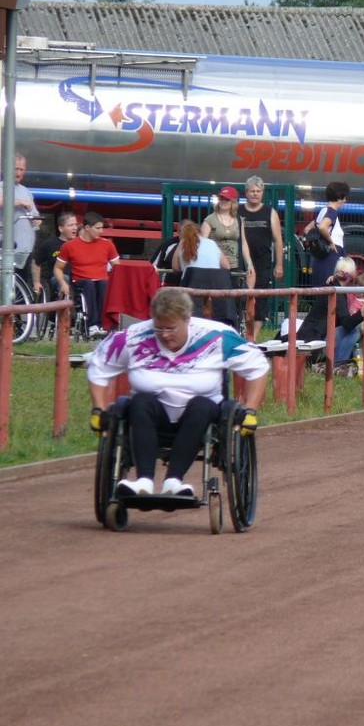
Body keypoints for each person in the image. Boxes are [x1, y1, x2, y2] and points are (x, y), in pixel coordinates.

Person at [87, 288, 268, 497]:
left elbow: (258, 367)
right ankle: (143, 481)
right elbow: (99, 366)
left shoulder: (217, 336)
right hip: (151, 416)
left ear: (187, 319)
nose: (164, 335)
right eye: (159, 328)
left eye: (171, 328)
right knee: (139, 401)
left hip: (201, 416)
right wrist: (98, 410)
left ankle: (174, 482)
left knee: (201, 405)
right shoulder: (133, 337)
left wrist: (251, 411)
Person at [54, 211, 119, 339]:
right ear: (87, 228)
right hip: (81, 281)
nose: (101, 231)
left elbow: (117, 266)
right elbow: (58, 268)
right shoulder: (70, 246)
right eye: (97, 228)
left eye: (102, 228)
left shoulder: (107, 244)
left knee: (104, 284)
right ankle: (92, 324)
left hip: (102, 280)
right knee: (89, 284)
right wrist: (62, 283)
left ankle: (105, 324)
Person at [239, 176, 284, 340]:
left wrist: (279, 265)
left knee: (261, 301)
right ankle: (241, 332)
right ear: (246, 193)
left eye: (258, 191)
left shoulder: (269, 213)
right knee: (241, 298)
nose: (255, 194)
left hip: (263, 262)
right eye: (252, 191)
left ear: (262, 193)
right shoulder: (238, 211)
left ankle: (253, 337)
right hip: (241, 262)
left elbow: (278, 240)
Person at [201, 185, 255, 289]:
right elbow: (203, 244)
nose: (223, 201)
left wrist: (249, 264)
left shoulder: (239, 220)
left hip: (234, 266)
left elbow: (243, 243)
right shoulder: (210, 220)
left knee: (233, 299)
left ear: (233, 202)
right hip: (215, 266)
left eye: (227, 199)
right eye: (221, 198)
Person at [0, 153, 43, 279]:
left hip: (25, 250)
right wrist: (18, 202)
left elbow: (34, 214)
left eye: (21, 169)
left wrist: (37, 220)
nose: (18, 173)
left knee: (23, 288)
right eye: (15, 169)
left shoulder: (26, 191)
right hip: (7, 249)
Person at [310, 181, 350, 287]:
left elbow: (307, 229)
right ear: (339, 197)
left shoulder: (323, 211)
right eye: (344, 197)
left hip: (320, 258)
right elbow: (323, 227)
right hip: (330, 258)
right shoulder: (332, 212)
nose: (345, 201)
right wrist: (331, 241)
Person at [32, 211, 78, 299]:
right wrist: (36, 282)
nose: (74, 228)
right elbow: (36, 262)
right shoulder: (50, 244)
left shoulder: (80, 244)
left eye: (75, 225)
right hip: (56, 279)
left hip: (77, 278)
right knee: (64, 278)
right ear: (61, 229)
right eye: (70, 225)